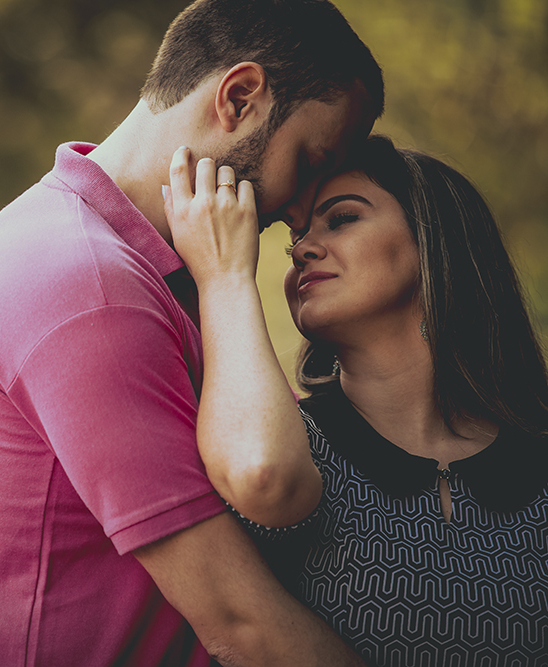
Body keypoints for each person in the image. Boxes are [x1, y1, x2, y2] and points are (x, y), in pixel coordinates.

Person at [0, 0, 386, 664]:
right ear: (239, 98)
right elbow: (241, 622)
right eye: (308, 162)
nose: (303, 212)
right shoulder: (88, 289)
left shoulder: (120, 263)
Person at [165, 134, 548, 665]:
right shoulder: (282, 447)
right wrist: (224, 277)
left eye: (341, 219)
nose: (301, 249)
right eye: (294, 239)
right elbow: (262, 475)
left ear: (436, 241)